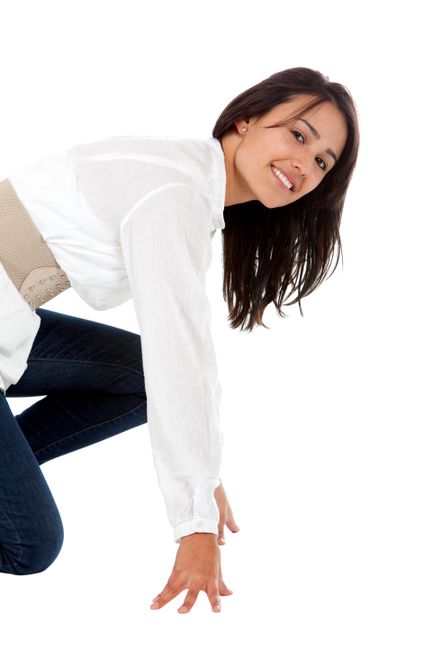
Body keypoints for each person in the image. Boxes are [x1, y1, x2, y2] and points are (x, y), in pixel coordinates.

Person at [0, 66, 359, 613]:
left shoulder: (184, 176)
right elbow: (178, 350)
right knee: (28, 543)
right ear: (246, 120)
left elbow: (176, 364)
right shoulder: (175, 191)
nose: (304, 165)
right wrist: (194, 519)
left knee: (139, 378)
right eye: (299, 134)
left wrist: (203, 466)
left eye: (321, 162)